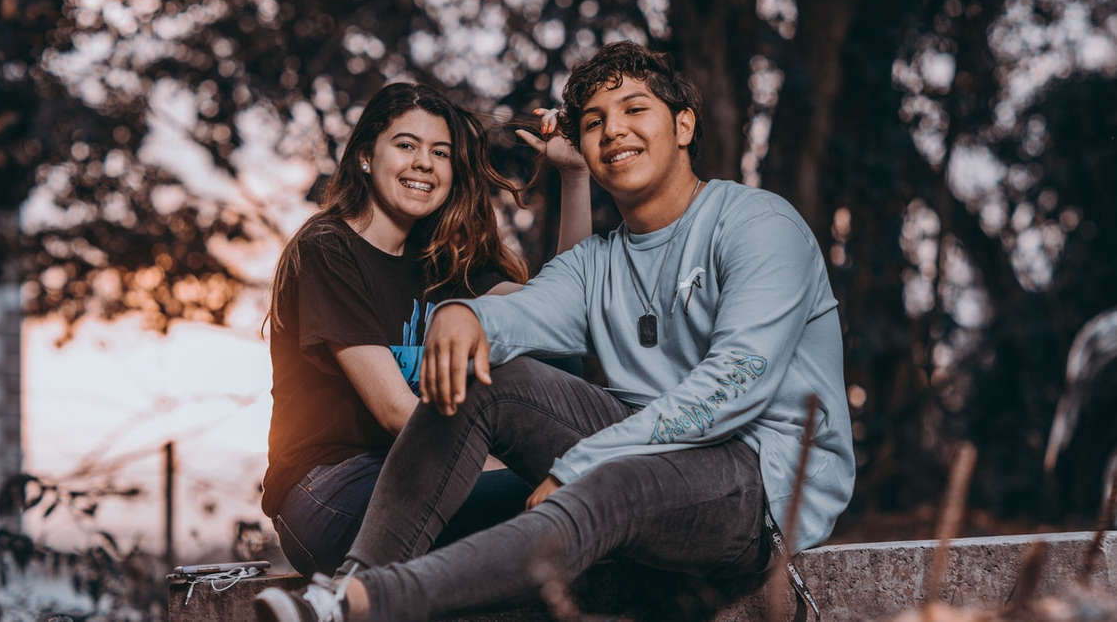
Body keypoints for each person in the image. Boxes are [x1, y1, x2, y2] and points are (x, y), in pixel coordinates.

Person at [255, 42, 855, 622]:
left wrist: (580, 463)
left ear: (684, 126)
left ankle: (371, 603)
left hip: (761, 480)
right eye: (594, 121)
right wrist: (463, 316)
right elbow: (525, 313)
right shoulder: (596, 263)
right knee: (493, 382)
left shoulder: (759, 224)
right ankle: (346, 594)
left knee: (606, 483)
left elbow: (736, 383)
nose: (614, 130)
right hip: (633, 450)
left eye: (635, 109)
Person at [261, 81, 591, 577]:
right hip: (330, 494)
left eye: (440, 152)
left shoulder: (441, 262)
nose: (424, 163)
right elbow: (397, 413)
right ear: (367, 157)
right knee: (576, 493)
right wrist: (521, 467)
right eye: (406, 145)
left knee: (575, 429)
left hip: (419, 473)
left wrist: (575, 176)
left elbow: (560, 314)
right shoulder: (327, 248)